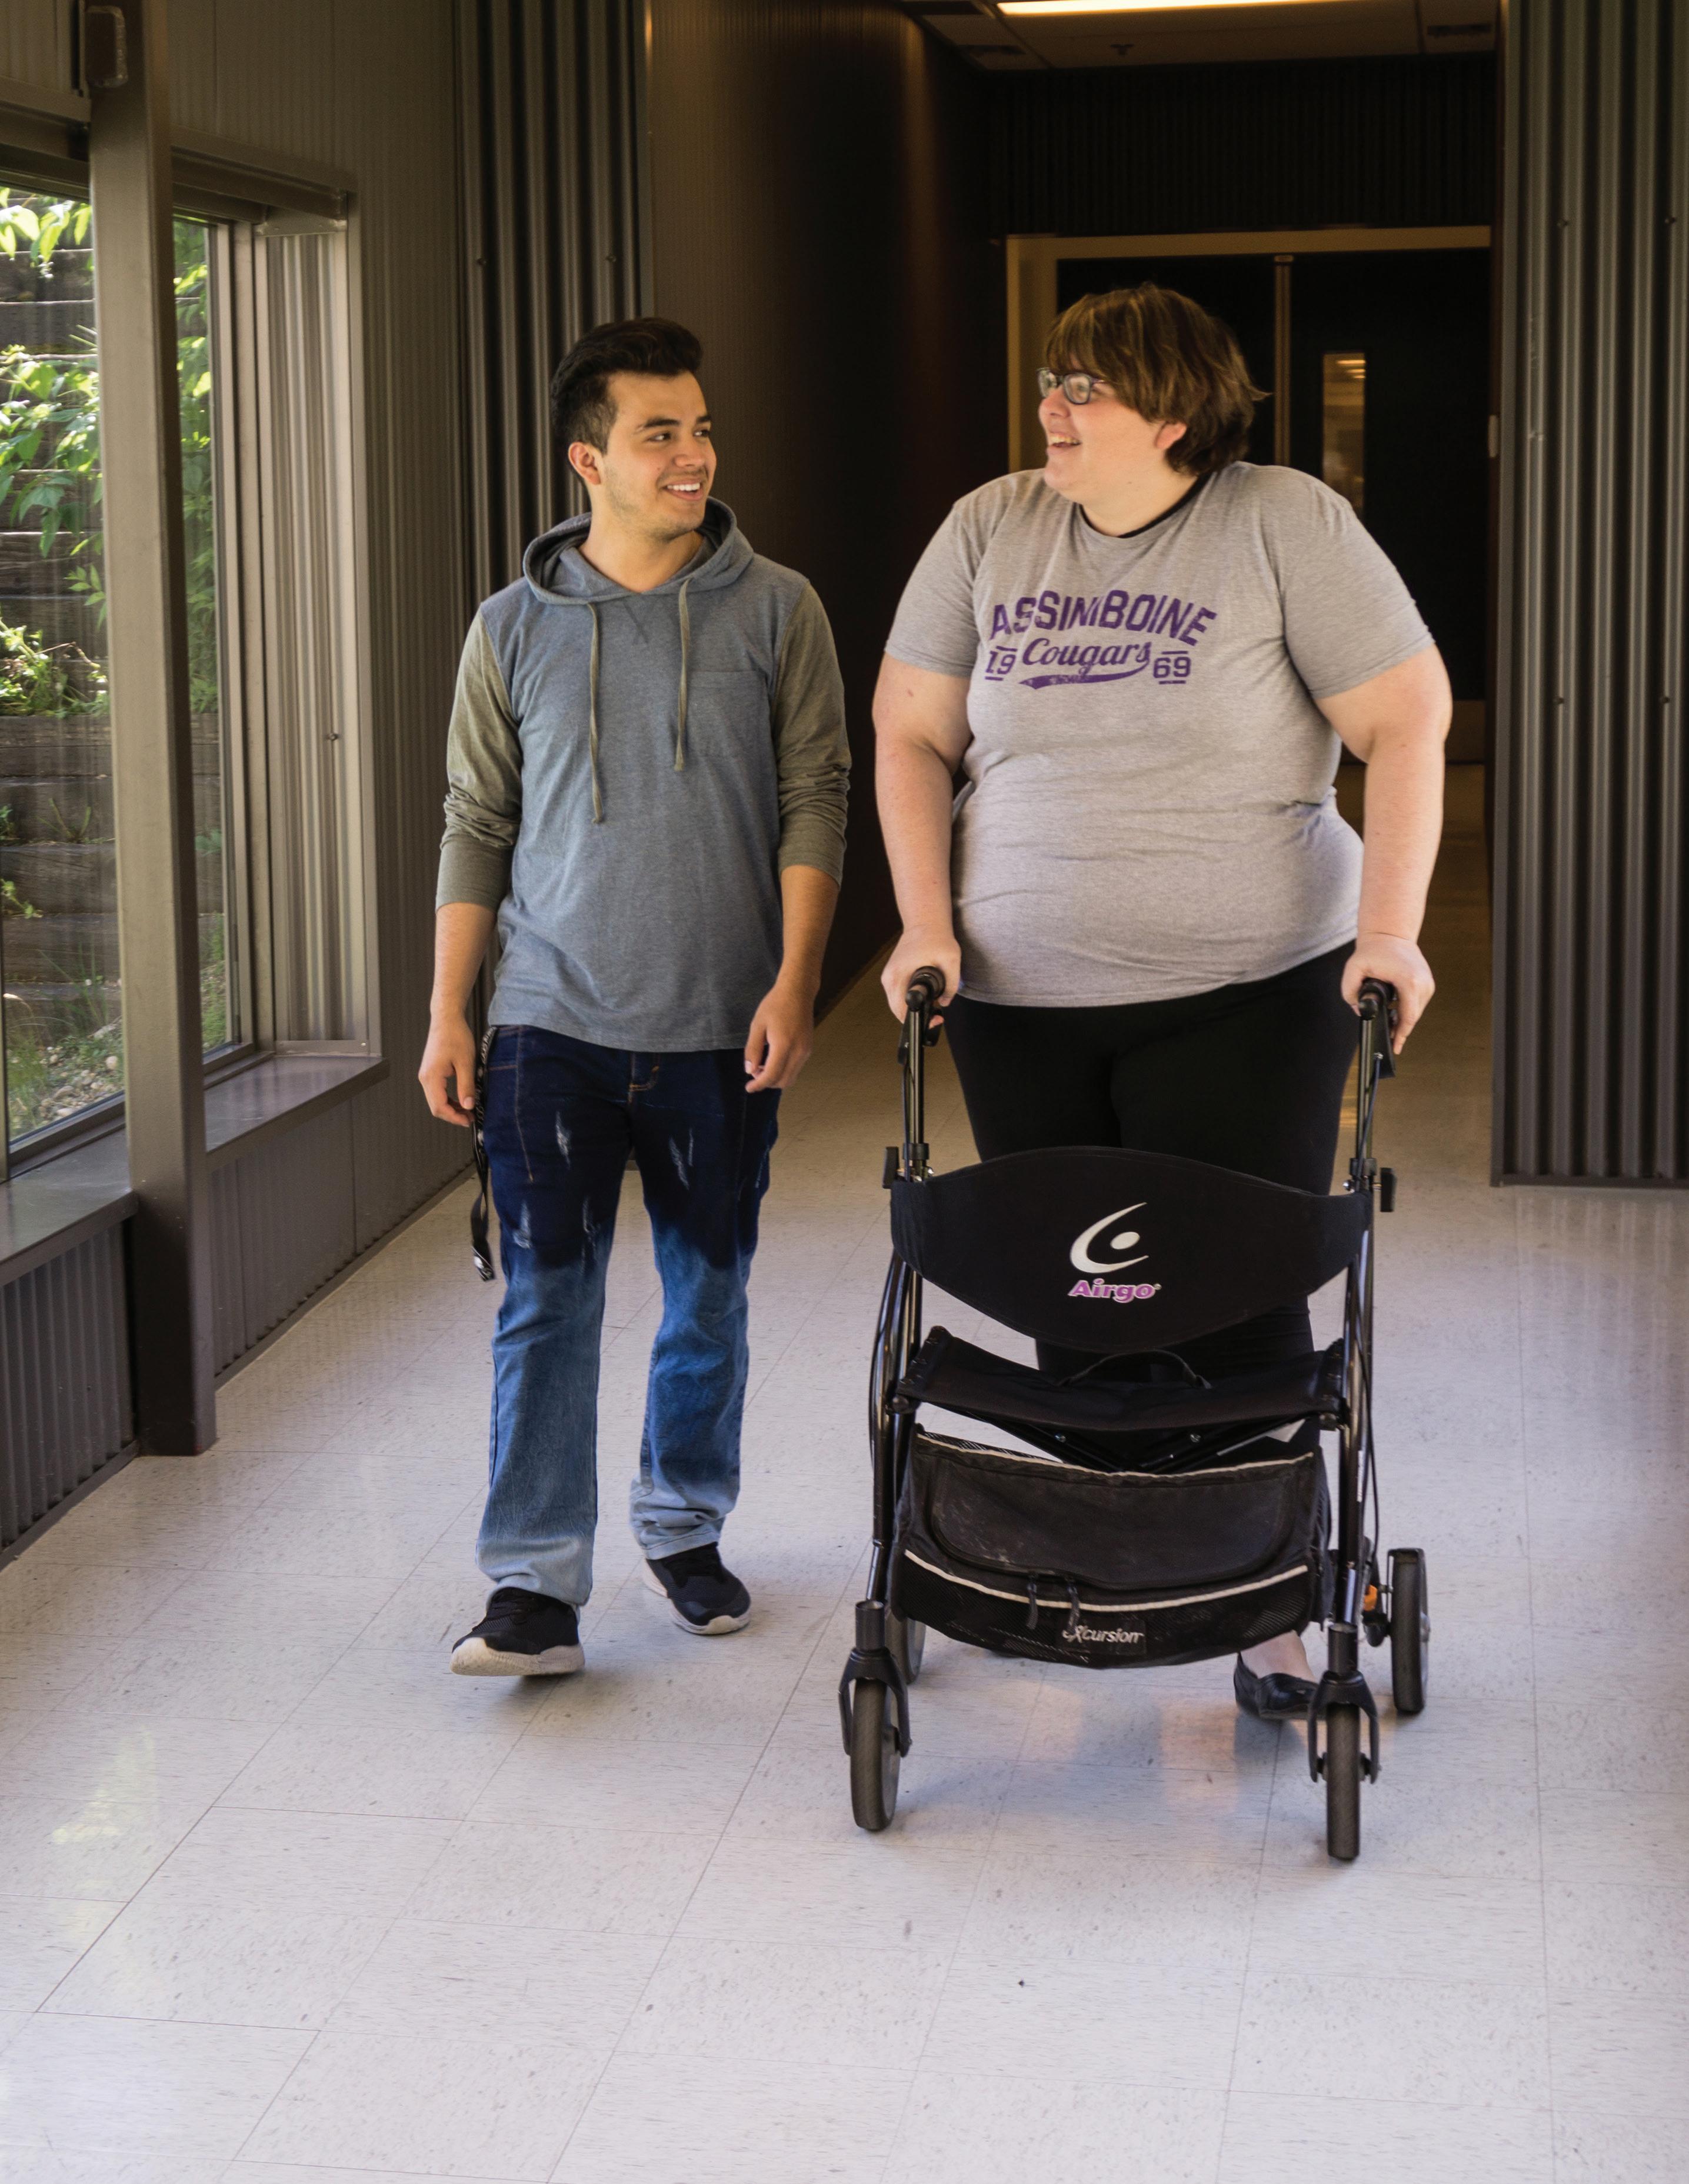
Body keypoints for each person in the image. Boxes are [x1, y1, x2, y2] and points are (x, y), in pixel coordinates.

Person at [874, 282, 1449, 1723]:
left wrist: (1390, 933)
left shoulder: (1280, 523)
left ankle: (1262, 1606)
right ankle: (1120, 1563)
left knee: (1230, 1285)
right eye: (1050, 382)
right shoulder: (989, 526)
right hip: (1016, 995)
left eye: (1084, 387)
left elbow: (1403, 720)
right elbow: (908, 734)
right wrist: (925, 923)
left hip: (1247, 988)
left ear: (1175, 412)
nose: (1050, 409)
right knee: (1073, 1292)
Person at [421, 316, 850, 1677]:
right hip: (546, 1018)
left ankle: (681, 1521)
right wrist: (448, 1011)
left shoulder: (777, 609)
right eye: (658, 432)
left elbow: (815, 799)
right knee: (544, 1301)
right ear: (587, 460)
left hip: (719, 1021)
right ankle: (533, 1586)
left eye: (700, 428)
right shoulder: (510, 630)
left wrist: (796, 979)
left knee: (705, 1295)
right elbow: (475, 824)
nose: (692, 455)